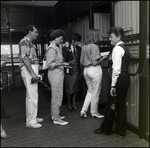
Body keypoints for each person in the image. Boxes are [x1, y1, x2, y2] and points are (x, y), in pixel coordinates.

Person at [94, 26, 130, 139]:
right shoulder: (125, 48)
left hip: (118, 79)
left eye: (112, 37)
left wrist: (113, 85)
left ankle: (106, 129)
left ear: (118, 37)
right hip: (125, 78)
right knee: (121, 105)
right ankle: (121, 131)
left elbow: (116, 70)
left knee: (110, 104)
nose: (110, 39)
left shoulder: (117, 49)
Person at [19, 24, 43, 129]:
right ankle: (31, 121)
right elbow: (24, 59)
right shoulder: (24, 42)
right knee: (32, 96)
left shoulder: (30, 43)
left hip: (32, 68)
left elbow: (31, 58)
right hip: (29, 70)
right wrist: (33, 73)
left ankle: (33, 116)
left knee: (32, 95)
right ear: (30, 32)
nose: (37, 34)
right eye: (35, 32)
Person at [80, 29, 107, 118]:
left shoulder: (84, 46)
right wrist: (103, 58)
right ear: (95, 36)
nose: (100, 37)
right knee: (96, 92)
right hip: (94, 70)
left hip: (86, 70)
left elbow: (81, 61)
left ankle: (84, 110)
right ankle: (94, 112)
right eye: (98, 35)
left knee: (90, 91)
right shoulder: (94, 46)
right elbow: (95, 62)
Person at [46, 29, 69, 125]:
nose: (62, 41)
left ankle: (55, 114)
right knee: (57, 96)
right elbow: (50, 64)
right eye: (61, 38)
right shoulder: (52, 48)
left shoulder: (55, 47)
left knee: (58, 95)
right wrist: (62, 64)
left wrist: (62, 63)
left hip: (58, 74)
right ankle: (56, 119)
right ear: (56, 38)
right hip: (55, 74)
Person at [62, 33, 82, 111]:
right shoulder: (65, 48)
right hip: (68, 70)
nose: (78, 43)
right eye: (77, 41)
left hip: (76, 71)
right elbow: (64, 58)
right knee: (69, 88)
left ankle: (74, 103)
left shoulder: (79, 49)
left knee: (75, 88)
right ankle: (68, 104)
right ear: (73, 41)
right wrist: (67, 48)